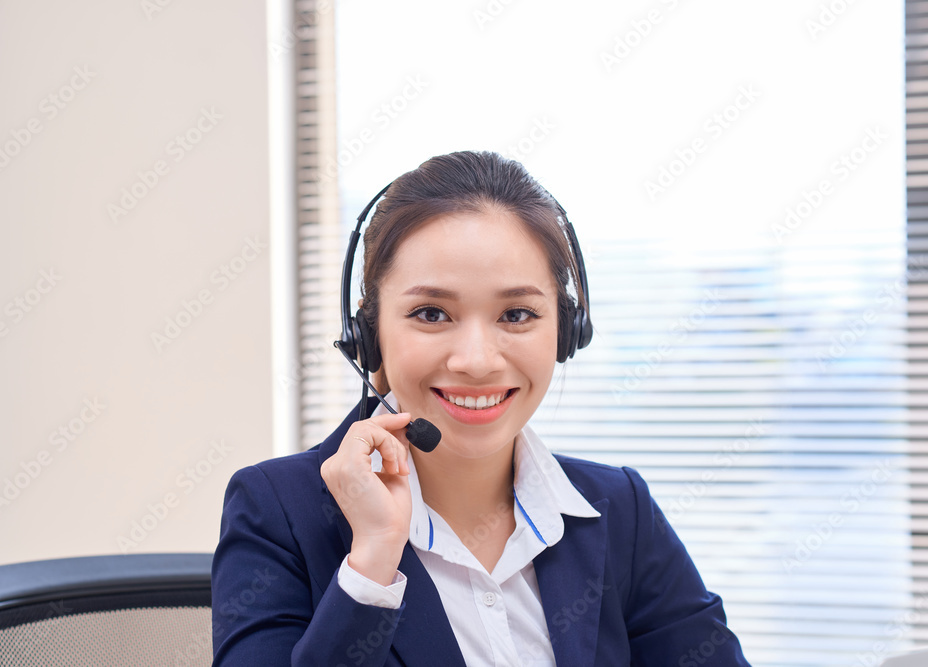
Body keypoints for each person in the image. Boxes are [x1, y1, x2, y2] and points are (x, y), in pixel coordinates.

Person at [211, 151, 751, 666]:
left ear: (566, 332)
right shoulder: (278, 512)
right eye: (431, 313)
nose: (476, 360)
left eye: (516, 314)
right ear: (368, 334)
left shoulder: (618, 510)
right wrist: (373, 562)